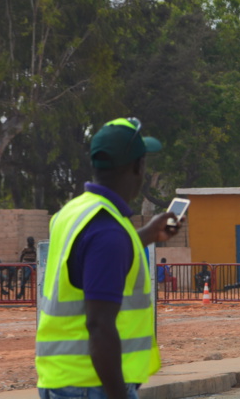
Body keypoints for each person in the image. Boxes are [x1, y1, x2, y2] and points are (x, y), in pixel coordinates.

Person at [36, 117, 183, 399]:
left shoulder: (74, 212)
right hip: (91, 385)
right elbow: (99, 324)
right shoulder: (108, 230)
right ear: (138, 166)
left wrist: (148, 235)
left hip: (61, 379)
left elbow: (90, 260)